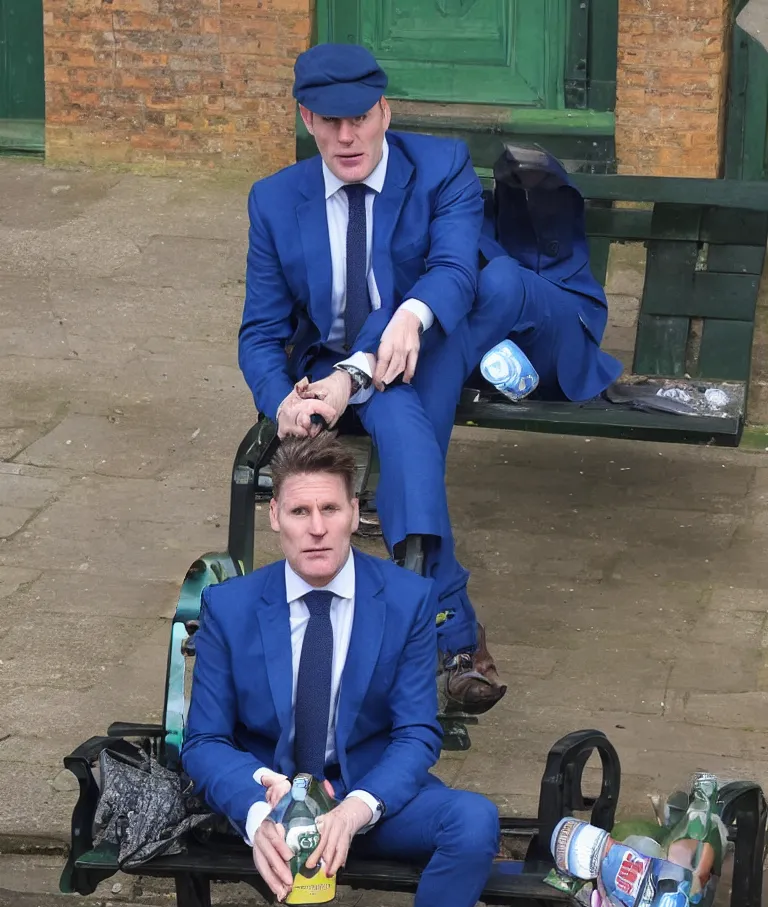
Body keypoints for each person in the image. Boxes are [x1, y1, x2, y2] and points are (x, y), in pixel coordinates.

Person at [237, 43, 621, 714]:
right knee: (404, 412)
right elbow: (259, 332)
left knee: (483, 289)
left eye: (360, 116)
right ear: (306, 118)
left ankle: (449, 634)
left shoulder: (439, 166)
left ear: (385, 111)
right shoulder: (274, 201)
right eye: (329, 121)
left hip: (442, 330)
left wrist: (390, 337)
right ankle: (451, 631)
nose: (347, 135)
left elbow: (452, 269)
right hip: (360, 374)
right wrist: (280, 401)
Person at [182, 434, 500, 907]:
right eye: (300, 511)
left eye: (330, 509)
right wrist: (255, 814)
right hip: (270, 802)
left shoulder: (407, 599)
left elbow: (415, 734)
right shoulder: (231, 607)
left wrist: (357, 808)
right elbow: (203, 742)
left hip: (363, 796)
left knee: (474, 821)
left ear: (357, 513)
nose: (317, 528)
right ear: (275, 516)